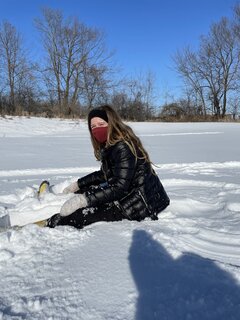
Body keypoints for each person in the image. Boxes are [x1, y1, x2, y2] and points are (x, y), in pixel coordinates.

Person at [47, 105, 170, 229]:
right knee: (88, 191)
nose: (97, 129)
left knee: (79, 216)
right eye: (93, 126)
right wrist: (78, 185)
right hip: (128, 194)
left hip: (139, 204)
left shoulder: (123, 146)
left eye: (101, 124)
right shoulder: (111, 144)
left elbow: (119, 187)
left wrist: (83, 200)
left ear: (111, 123)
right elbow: (105, 174)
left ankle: (55, 222)